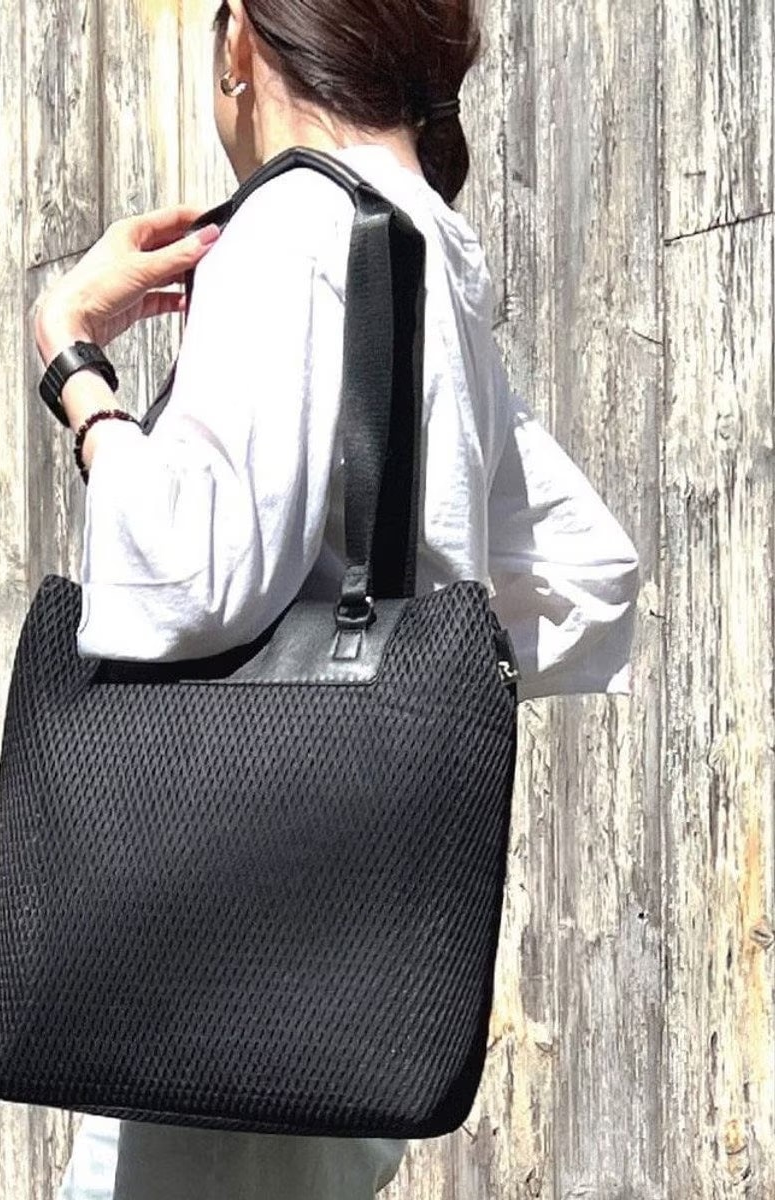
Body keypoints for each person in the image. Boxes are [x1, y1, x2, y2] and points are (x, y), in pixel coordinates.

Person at [36, 1, 642, 1196]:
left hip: (217, 971)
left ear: (239, 42)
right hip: (350, 954)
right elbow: (586, 572)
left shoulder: (292, 225)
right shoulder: (420, 242)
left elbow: (190, 576)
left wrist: (76, 365)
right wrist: (406, 672)